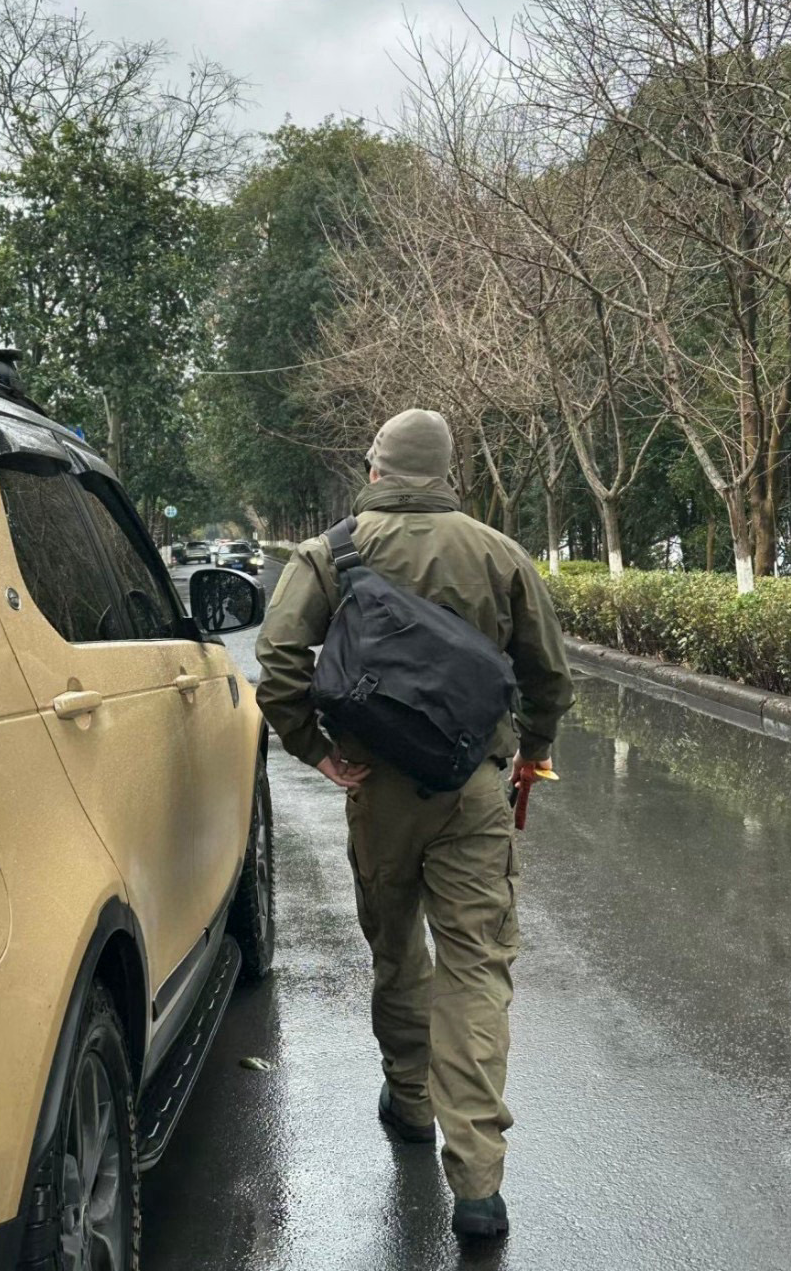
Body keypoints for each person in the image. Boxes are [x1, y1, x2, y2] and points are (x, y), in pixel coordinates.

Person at [254, 408, 574, 1240]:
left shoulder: (331, 553)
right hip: (473, 789)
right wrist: (532, 752)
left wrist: (317, 750)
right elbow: (549, 674)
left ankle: (409, 1101)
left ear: (377, 469)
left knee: (398, 949)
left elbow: (278, 663)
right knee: (475, 967)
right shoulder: (498, 552)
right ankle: (479, 1183)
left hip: (378, 791)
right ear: (446, 472)